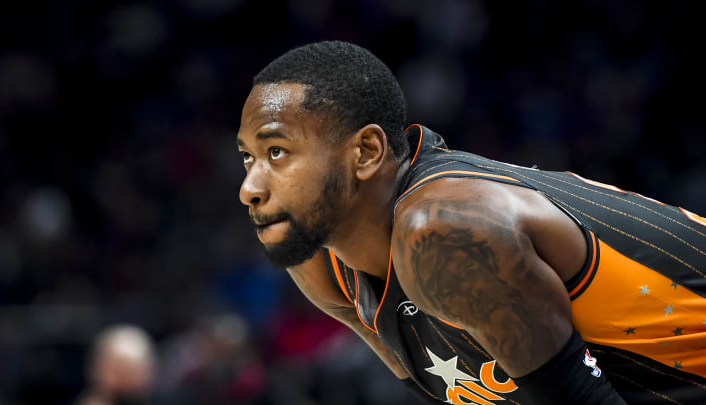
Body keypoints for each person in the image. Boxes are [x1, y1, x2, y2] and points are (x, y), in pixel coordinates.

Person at [235, 41, 706, 404]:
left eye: (277, 153)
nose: (249, 188)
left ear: (366, 153)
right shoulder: (323, 258)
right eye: (247, 158)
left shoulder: (444, 232)